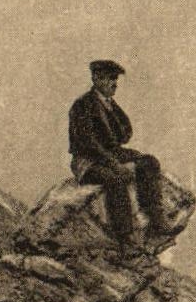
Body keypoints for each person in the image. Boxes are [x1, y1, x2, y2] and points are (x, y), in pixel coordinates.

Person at [68, 60, 168, 251]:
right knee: (115, 180)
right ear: (96, 78)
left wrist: (113, 114)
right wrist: (114, 164)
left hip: (110, 153)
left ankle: (155, 216)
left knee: (149, 162)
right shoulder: (82, 105)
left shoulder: (109, 104)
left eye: (115, 79)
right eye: (109, 79)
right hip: (87, 160)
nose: (114, 84)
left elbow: (126, 133)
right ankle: (125, 237)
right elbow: (89, 143)